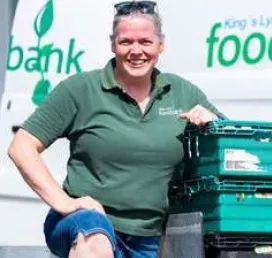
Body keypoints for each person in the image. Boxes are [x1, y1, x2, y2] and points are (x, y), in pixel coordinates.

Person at [8, 1, 226, 258]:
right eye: (126, 42)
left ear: (161, 44)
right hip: (88, 221)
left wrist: (214, 122)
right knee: (95, 242)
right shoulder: (81, 90)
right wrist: (64, 203)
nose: (136, 51)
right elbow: (21, 147)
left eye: (145, 42)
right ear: (113, 44)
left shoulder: (182, 92)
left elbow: (234, 146)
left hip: (152, 233)